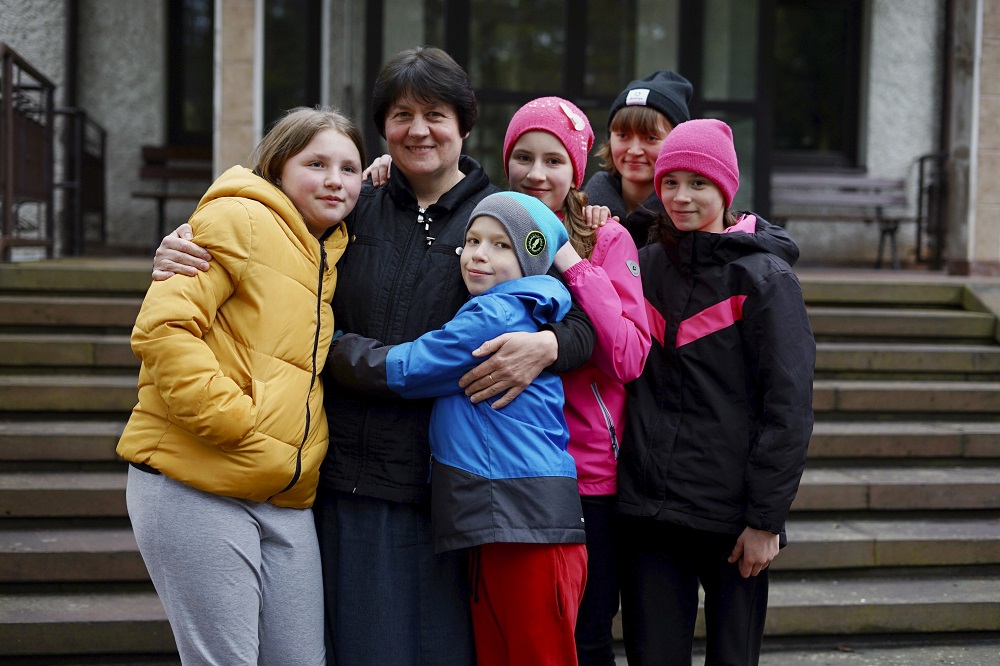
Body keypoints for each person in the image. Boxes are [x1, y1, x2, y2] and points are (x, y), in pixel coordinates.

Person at [151, 47, 596, 666]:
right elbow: (261, 238)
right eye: (402, 114)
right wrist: (181, 243)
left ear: (465, 124)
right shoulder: (352, 206)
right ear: (383, 127)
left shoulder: (498, 215)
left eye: (436, 114)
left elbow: (581, 319)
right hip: (344, 477)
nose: (419, 130)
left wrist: (547, 346)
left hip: (448, 486)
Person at [117, 106, 364, 665]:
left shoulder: (330, 249)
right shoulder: (238, 219)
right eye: (317, 163)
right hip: (195, 477)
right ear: (278, 166)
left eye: (349, 168)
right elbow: (163, 328)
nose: (334, 179)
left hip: (284, 494)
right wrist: (231, 419)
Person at [331, 190, 587, 665]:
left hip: (524, 519)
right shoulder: (515, 307)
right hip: (505, 517)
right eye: (472, 240)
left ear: (532, 259)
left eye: (501, 245)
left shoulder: (496, 315)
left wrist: (334, 344)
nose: (479, 255)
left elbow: (408, 368)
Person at [616, 118, 815, 666]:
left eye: (698, 183)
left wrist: (766, 521)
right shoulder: (644, 265)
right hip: (650, 516)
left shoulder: (765, 279)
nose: (681, 197)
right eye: (670, 181)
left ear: (727, 189)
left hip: (732, 522)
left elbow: (789, 408)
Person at [500, 96, 651, 666]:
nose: (537, 174)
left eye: (554, 160)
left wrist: (571, 261)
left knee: (585, 637)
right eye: (524, 157)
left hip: (588, 476)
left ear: (578, 169)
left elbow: (629, 356)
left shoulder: (606, 240)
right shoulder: (488, 224)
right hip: (505, 465)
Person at [584, 70, 693, 249]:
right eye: (623, 135)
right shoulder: (579, 212)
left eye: (650, 138)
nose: (634, 150)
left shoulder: (692, 224)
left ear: (678, 143)